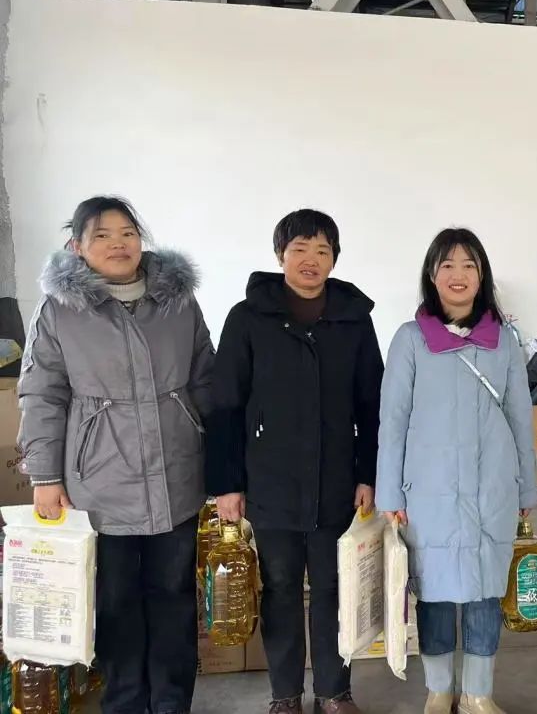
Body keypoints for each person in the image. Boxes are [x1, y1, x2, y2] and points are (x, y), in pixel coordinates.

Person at [18, 196, 214, 714]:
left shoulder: (177, 301)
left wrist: (223, 463)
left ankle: (171, 703)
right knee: (116, 603)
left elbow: (206, 380)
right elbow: (42, 394)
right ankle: (125, 703)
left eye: (127, 233)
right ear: (77, 247)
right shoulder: (60, 310)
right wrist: (45, 476)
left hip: (176, 476)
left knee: (174, 600)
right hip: (100, 482)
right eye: (101, 235)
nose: (118, 244)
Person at [205, 209, 383, 714]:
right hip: (271, 481)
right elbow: (225, 404)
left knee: (333, 587)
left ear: (334, 259)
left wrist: (368, 474)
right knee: (280, 588)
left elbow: (373, 405)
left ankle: (334, 691)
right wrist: (227, 484)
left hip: (336, 482)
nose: (311, 260)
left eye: (322, 250)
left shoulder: (353, 318)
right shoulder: (248, 317)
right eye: (300, 249)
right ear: (280, 254)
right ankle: (284, 696)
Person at [376, 228, 537, 714]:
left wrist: (526, 487)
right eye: (447, 265)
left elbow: (519, 416)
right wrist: (390, 494)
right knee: (435, 594)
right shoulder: (410, 340)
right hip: (430, 492)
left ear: (482, 275)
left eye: (469, 265)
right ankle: (439, 689)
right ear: (432, 274)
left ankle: (478, 693)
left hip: (492, 488)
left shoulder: (503, 341)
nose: (458, 274)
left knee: (487, 592)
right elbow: (393, 420)